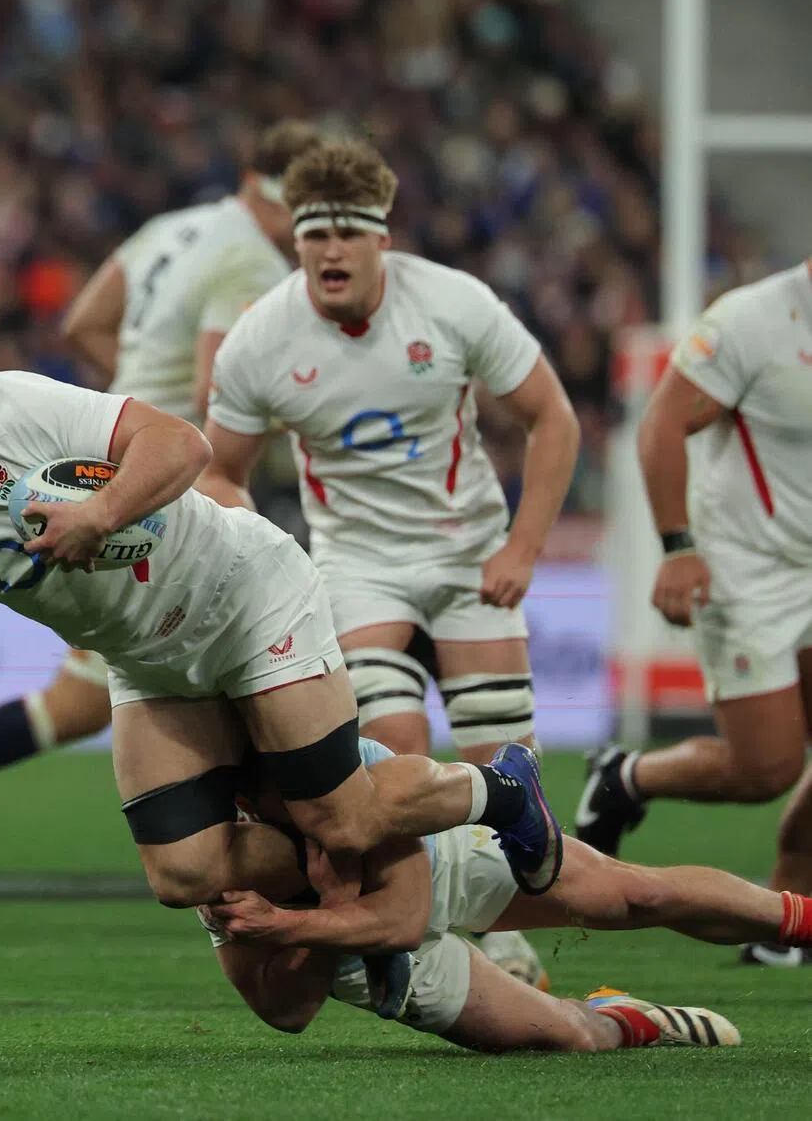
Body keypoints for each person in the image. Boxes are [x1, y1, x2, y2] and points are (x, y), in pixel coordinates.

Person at [0, 354, 564, 930]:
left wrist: (98, 513)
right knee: (184, 874)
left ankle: (498, 789)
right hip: (145, 660)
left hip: (246, 598)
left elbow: (181, 443)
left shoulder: (7, 406)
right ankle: (350, 877)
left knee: (350, 815)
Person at [0, 120, 326, 899]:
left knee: (82, 699)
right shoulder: (253, 259)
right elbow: (217, 394)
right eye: (312, 211)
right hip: (166, 481)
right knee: (279, 633)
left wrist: (120, 404)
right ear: (284, 198)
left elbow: (86, 324)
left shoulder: (174, 229)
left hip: (98, 463)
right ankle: (327, 838)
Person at [197, 138, 580, 980]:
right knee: (395, 768)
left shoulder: (452, 303)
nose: (330, 251)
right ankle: (449, 935)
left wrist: (523, 545)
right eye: (313, 236)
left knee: (499, 757)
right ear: (294, 242)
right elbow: (219, 469)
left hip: (468, 549)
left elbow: (553, 416)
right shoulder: (260, 340)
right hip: (358, 563)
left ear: (383, 240)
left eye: (348, 234)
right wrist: (257, 542)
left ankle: (499, 925)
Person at [198, 737, 812, 1050]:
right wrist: (327, 918)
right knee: (569, 1037)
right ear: (247, 800)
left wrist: (293, 923)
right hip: (360, 959)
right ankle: (628, 1017)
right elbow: (287, 1012)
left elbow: (403, 916)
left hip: (430, 868)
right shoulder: (209, 855)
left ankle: (803, 920)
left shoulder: (344, 756)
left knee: (632, 894)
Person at [575, 261, 812, 966]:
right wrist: (679, 549)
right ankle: (625, 777)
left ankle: (786, 928)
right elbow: (663, 425)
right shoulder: (753, 320)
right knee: (765, 770)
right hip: (749, 565)